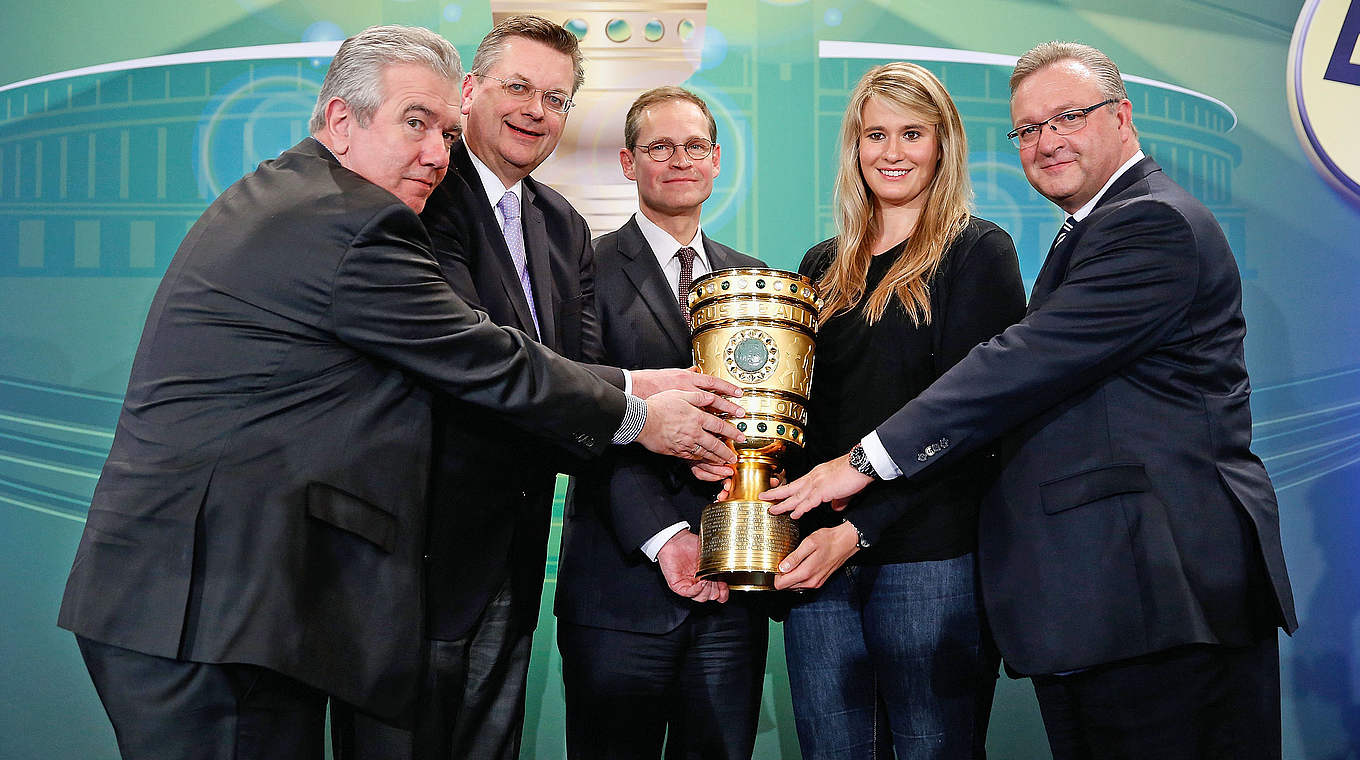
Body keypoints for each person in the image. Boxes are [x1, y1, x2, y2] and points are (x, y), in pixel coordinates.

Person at [56, 25, 742, 760]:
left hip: (227, 598)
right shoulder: (350, 220)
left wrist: (636, 385)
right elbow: (483, 358)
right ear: (339, 120)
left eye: (445, 132)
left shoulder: (302, 194)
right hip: (212, 607)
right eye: (416, 123)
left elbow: (519, 361)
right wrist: (643, 414)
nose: (435, 153)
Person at [761, 42, 1298, 759]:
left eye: (1068, 117)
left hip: (1160, 592)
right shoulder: (1094, 232)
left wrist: (861, 466)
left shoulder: (1150, 223)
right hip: (1111, 599)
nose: (1047, 141)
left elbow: (1012, 370)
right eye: (1030, 128)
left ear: (1123, 117)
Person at [331, 16, 740, 760]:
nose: (534, 110)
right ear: (471, 91)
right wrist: (648, 410)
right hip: (414, 555)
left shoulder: (561, 224)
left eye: (555, 98)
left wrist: (661, 414)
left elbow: (575, 373)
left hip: (513, 549)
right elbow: (476, 355)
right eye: (517, 87)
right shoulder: (420, 194)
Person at [778, 62, 1024, 758]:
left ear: (942, 144)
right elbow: (804, 423)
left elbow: (973, 426)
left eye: (912, 133)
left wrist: (858, 529)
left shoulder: (978, 251)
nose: (892, 152)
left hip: (930, 561)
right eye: (874, 134)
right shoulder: (820, 266)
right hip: (818, 563)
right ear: (854, 147)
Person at [553, 86, 769, 760]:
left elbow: (769, 425)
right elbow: (579, 416)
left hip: (733, 589)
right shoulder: (580, 272)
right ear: (628, 162)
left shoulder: (754, 279)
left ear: (716, 160)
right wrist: (666, 535)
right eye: (660, 147)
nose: (680, 160)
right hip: (619, 588)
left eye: (694, 146)